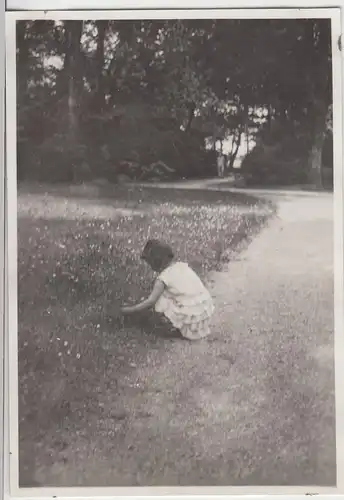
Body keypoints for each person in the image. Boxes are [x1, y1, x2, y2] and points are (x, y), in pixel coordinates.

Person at [121, 239, 214, 340]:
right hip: (203, 311)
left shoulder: (162, 278)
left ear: (155, 261)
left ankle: (173, 326)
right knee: (174, 295)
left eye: (149, 263)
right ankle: (189, 325)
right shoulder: (182, 266)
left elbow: (150, 302)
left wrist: (130, 310)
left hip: (191, 316)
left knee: (160, 300)